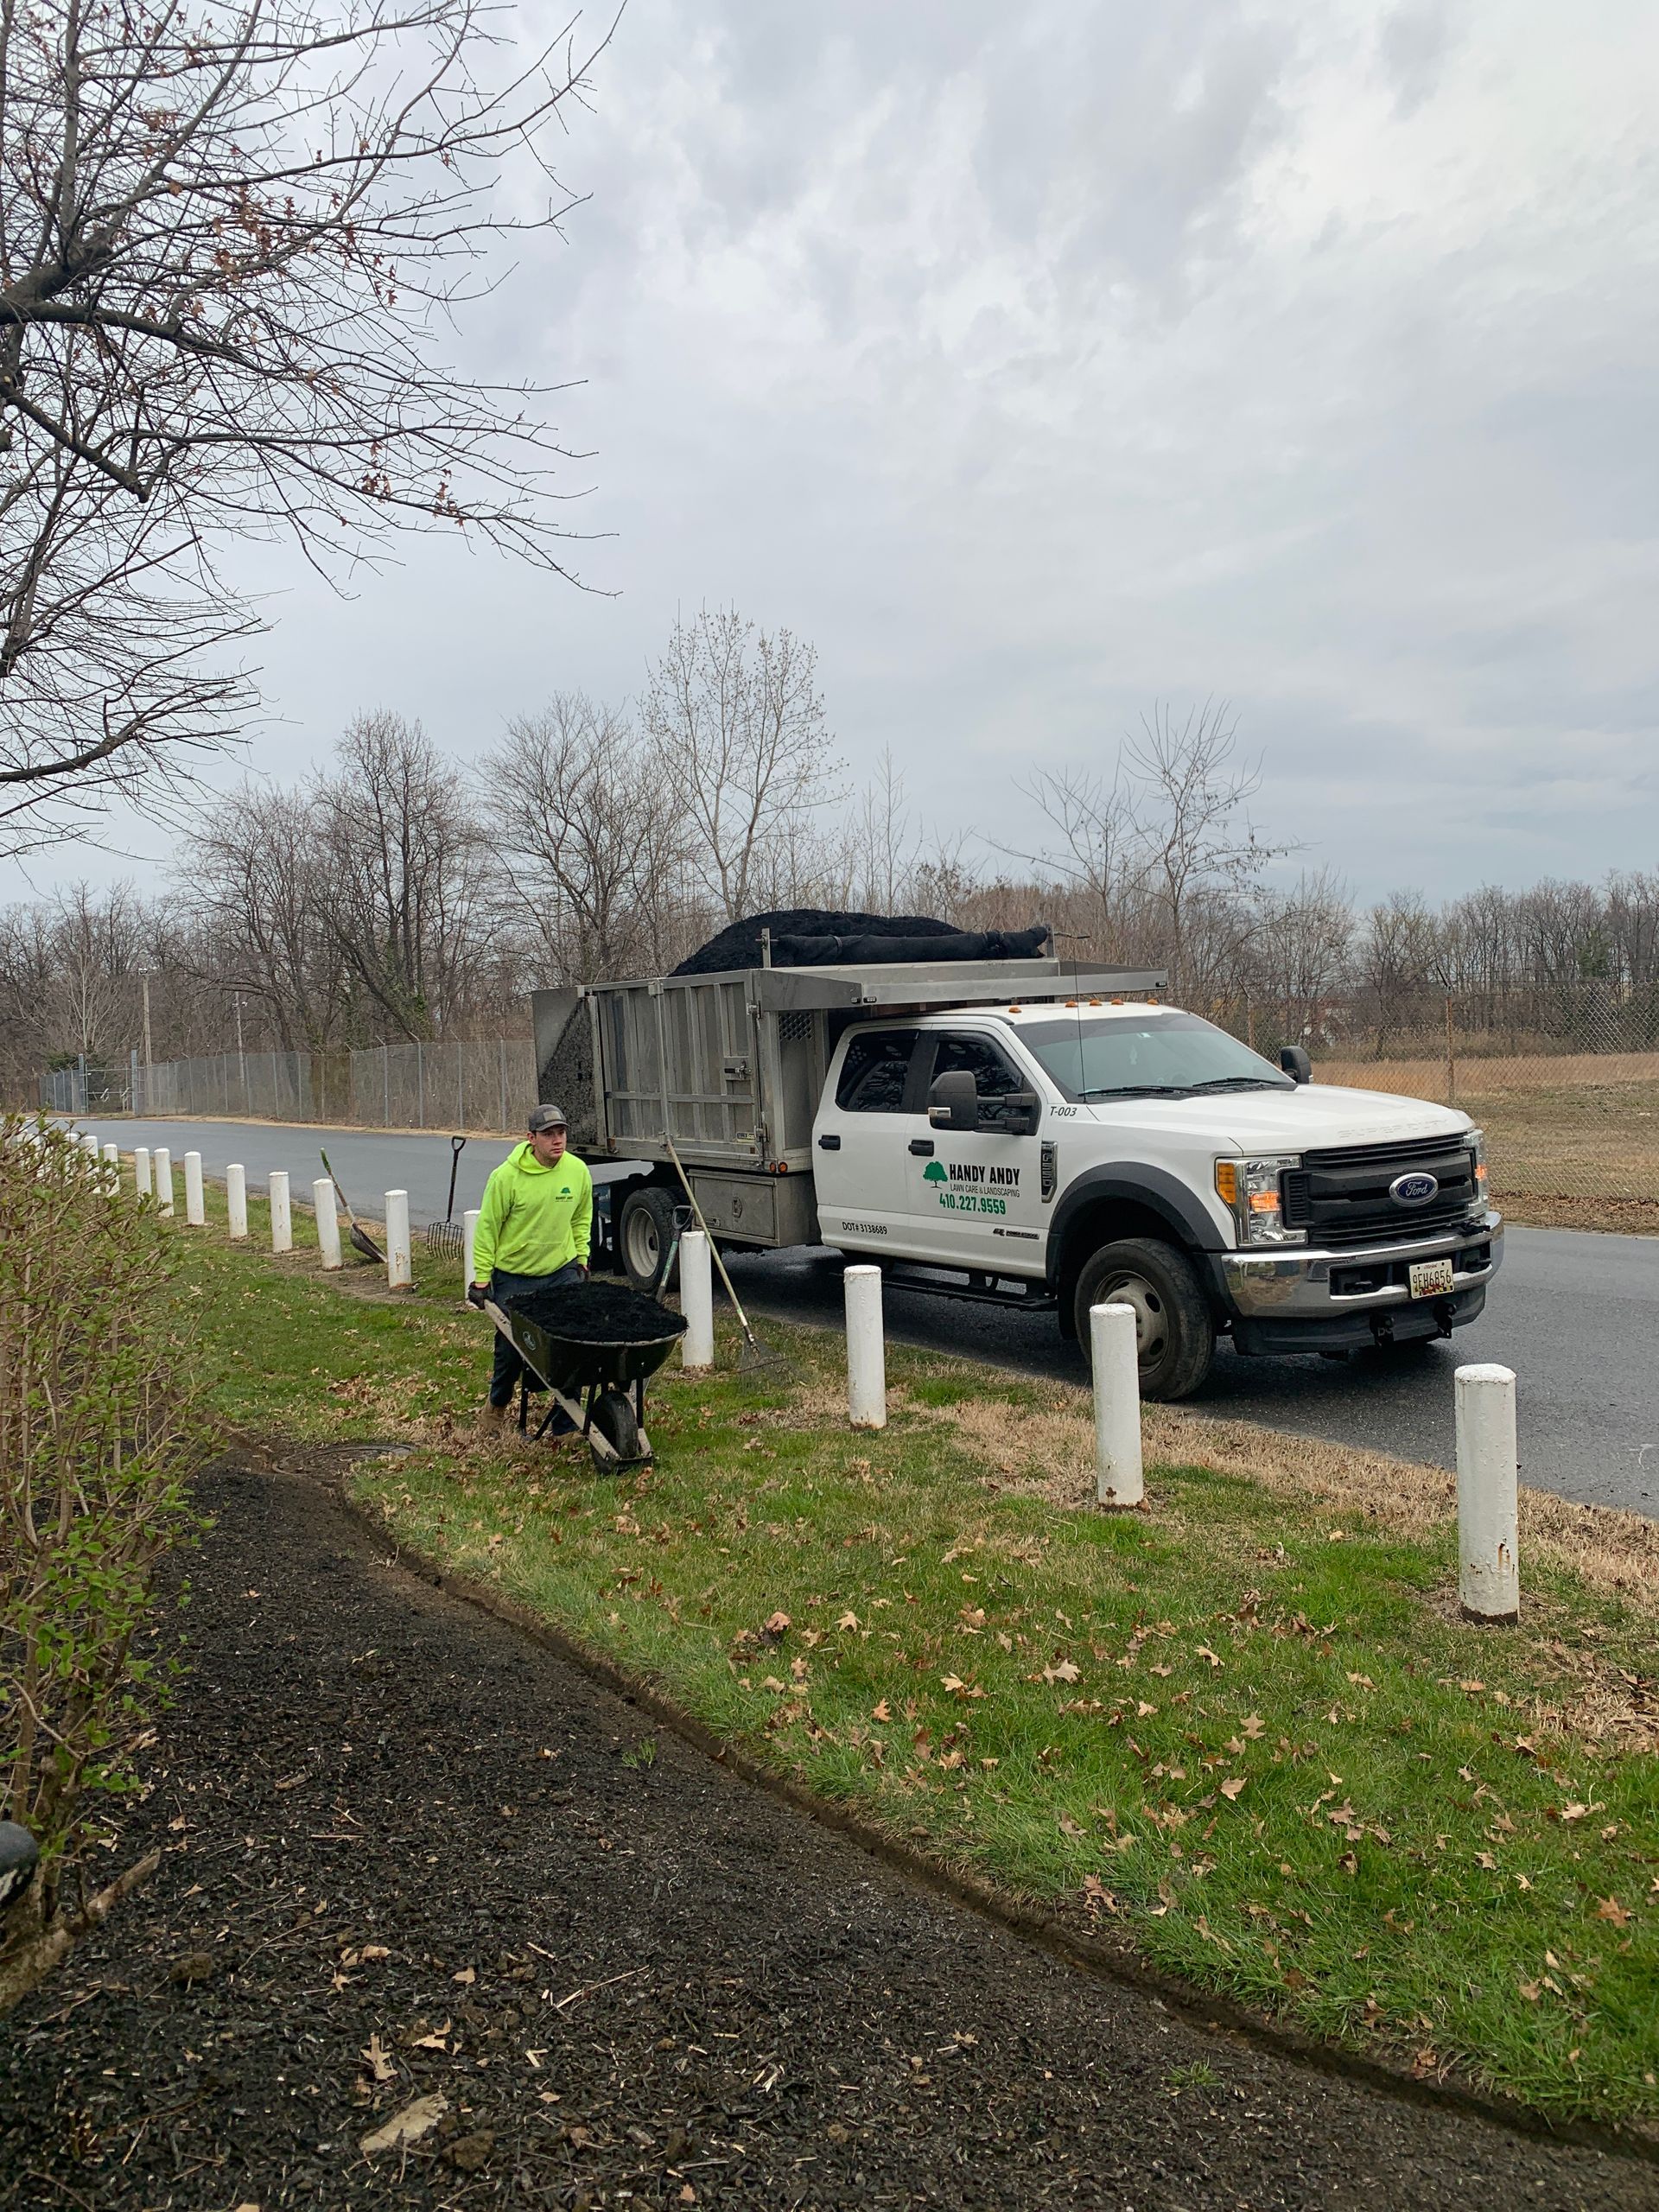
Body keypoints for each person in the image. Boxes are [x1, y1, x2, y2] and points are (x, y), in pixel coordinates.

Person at [469, 1103, 594, 1430]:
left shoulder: (577, 1171)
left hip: (560, 1270)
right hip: (515, 1276)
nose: (557, 1140)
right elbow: (488, 1230)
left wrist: (581, 1258)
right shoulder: (506, 1178)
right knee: (512, 1348)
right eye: (549, 1134)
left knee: (570, 1341)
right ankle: (497, 1404)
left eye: (562, 1133)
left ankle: (566, 1420)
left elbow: (582, 1219)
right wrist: (481, 1280)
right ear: (531, 1138)